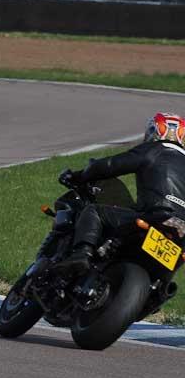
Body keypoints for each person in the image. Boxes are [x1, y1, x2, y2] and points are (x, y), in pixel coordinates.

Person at [55, 112, 185, 275]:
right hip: (181, 230)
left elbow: (110, 165)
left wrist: (79, 176)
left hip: (154, 215)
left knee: (94, 211)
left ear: (154, 131)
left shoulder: (153, 150)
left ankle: (81, 255)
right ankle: (158, 290)